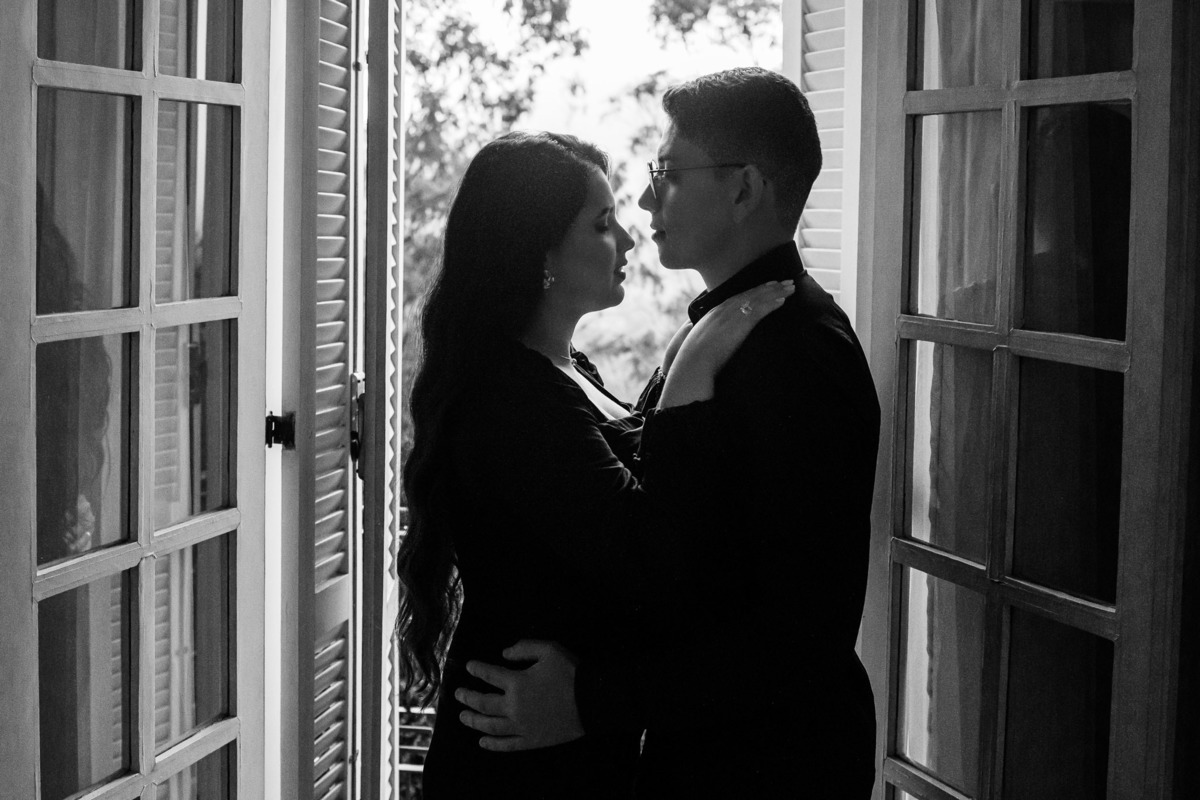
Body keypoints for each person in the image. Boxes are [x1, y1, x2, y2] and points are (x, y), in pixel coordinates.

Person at [456, 68, 882, 798]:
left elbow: (800, 635)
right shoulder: (721, 338)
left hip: (769, 772)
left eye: (669, 175)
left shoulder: (798, 355)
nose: (647, 202)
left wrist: (590, 700)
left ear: (743, 190)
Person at [396, 129, 794, 799]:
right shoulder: (510, 400)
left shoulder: (565, 368)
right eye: (603, 224)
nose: (630, 240)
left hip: (566, 746)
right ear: (540, 253)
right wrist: (692, 373)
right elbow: (650, 552)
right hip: (518, 763)